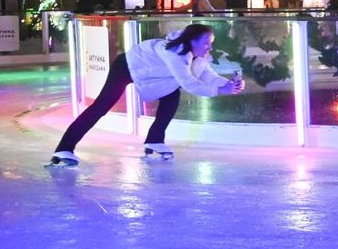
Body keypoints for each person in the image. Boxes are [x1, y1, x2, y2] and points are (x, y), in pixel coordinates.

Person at [48, 24, 240, 166]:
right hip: (127, 66)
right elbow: (189, 82)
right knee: (101, 107)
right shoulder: (173, 52)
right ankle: (65, 147)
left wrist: (228, 84)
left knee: (172, 96)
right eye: (206, 43)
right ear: (192, 41)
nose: (209, 48)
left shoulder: (197, 56)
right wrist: (221, 90)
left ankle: (155, 140)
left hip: (152, 77)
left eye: (211, 43)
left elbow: (206, 74)